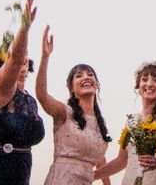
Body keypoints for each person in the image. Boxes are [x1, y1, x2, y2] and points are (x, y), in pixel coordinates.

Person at [0, 0, 45, 185]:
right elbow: (14, 60)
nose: (23, 56)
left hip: (21, 176)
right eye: (18, 52)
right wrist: (25, 27)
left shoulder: (31, 101)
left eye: (26, 54)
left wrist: (45, 56)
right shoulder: (1, 89)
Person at [37, 25, 112, 185]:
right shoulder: (65, 112)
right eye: (79, 76)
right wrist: (45, 57)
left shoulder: (100, 122)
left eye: (90, 75)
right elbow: (42, 96)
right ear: (72, 89)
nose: (86, 77)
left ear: (96, 85)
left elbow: (100, 159)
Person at [94, 61, 156, 184]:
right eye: (145, 79)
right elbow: (122, 160)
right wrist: (91, 176)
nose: (150, 84)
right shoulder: (131, 121)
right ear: (138, 87)